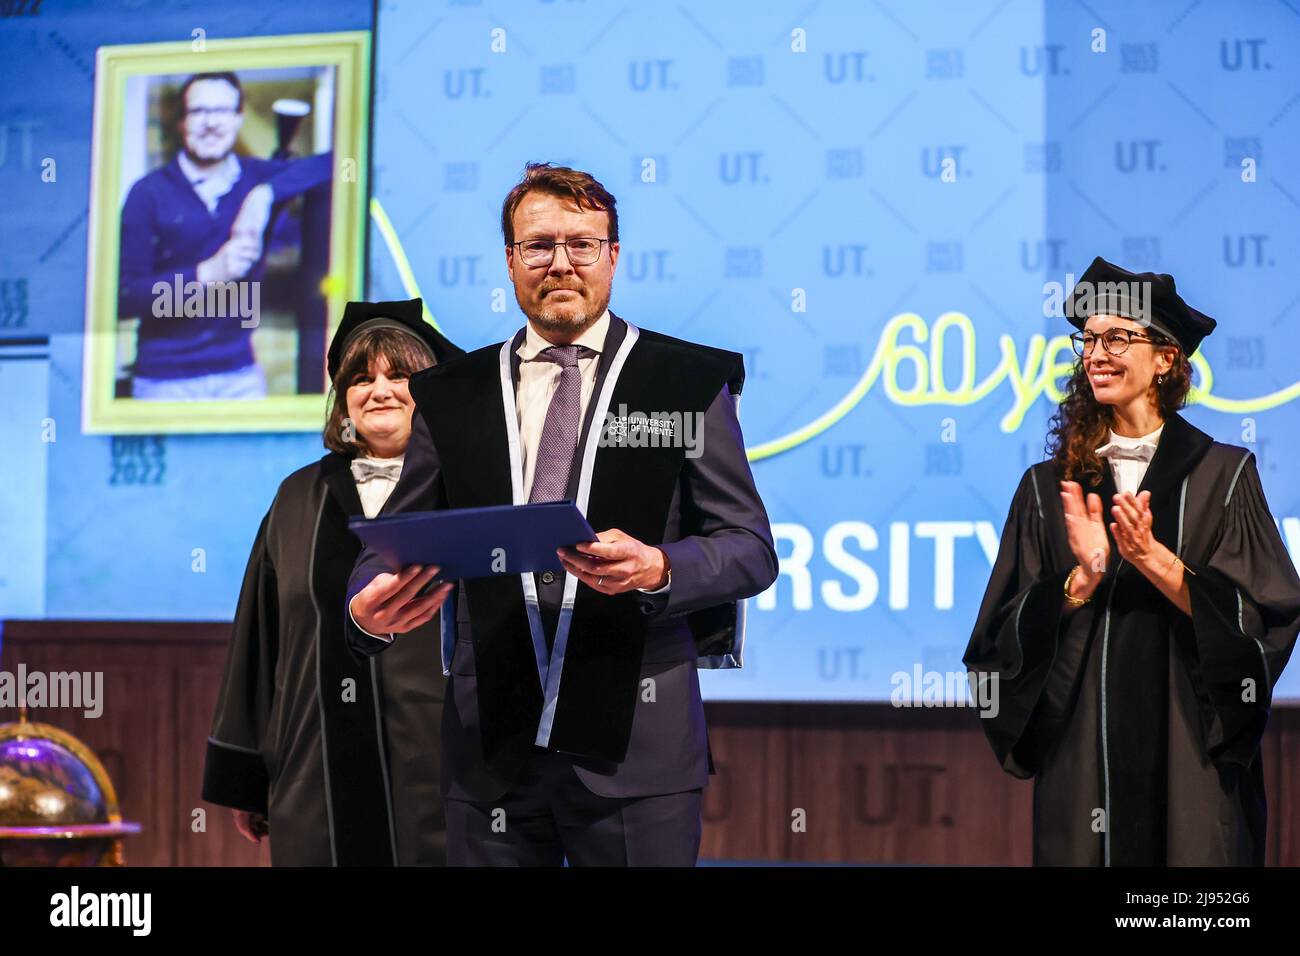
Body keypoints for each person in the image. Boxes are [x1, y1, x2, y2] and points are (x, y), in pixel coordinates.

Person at [345, 163, 778, 866]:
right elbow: (391, 543)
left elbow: (749, 547)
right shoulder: (453, 395)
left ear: (614, 255)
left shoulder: (684, 382)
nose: (560, 263)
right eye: (538, 245)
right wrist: (365, 609)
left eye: (582, 244)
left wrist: (661, 566)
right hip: (489, 753)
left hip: (637, 755)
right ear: (511, 261)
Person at [964, 257, 1300, 866]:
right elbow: (995, 644)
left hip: (1190, 764)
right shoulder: (1048, 487)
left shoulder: (1223, 476)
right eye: (1088, 339)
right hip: (1081, 770)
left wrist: (1156, 562)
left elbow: (1266, 618)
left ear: (1165, 358)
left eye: (1117, 337)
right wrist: (1079, 581)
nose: (1096, 353)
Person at [203, 297, 463, 865]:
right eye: (361, 378)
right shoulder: (298, 497)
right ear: (342, 399)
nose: (380, 390)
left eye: (400, 375)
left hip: (441, 771)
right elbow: (259, 638)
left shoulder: (471, 491)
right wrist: (245, 774)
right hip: (313, 772)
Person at [118, 71, 333, 399]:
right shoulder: (148, 194)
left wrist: (265, 193)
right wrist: (207, 275)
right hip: (164, 379)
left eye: (221, 112)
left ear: (237, 119)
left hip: (239, 375)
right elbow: (125, 297)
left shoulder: (256, 178)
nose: (211, 123)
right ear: (182, 122)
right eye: (199, 112)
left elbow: (340, 160)